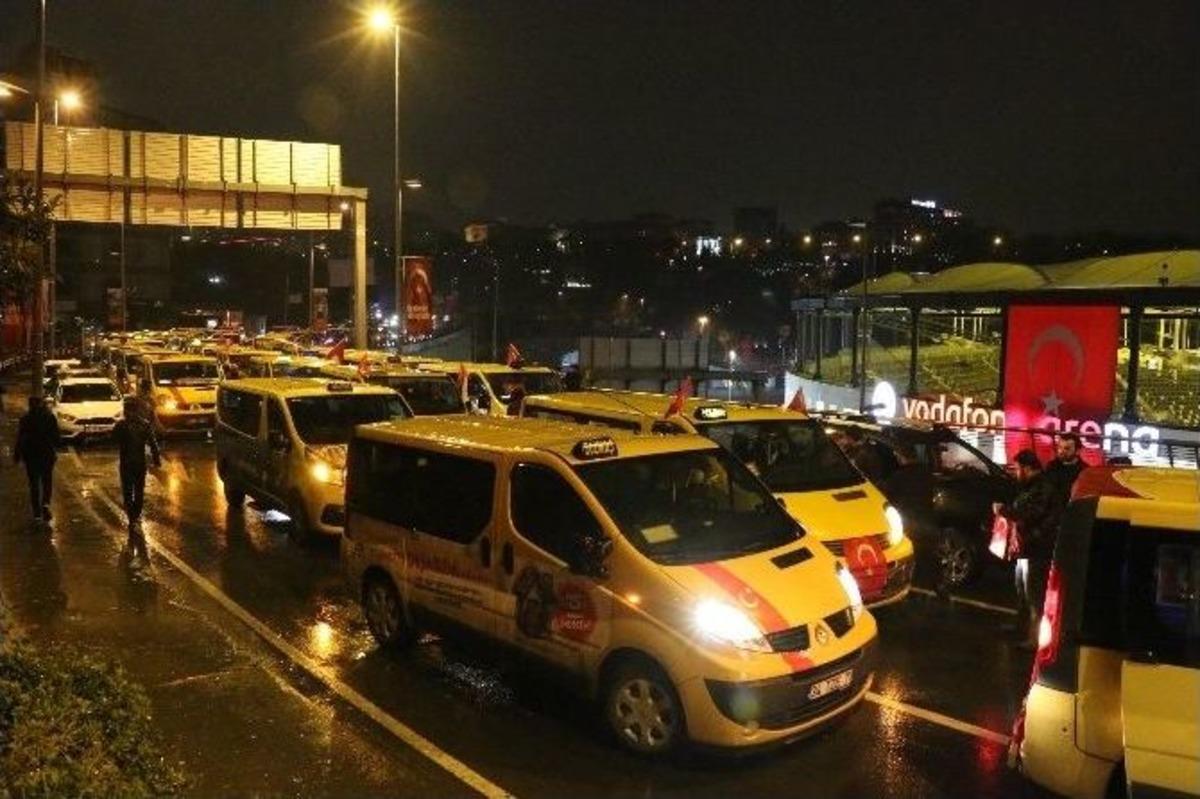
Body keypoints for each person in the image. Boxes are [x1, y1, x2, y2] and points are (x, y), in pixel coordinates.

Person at [997, 450, 1063, 650]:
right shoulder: (1031, 486)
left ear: (1027, 468)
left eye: (1017, 469)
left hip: (1038, 548)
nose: (1015, 473)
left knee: (1034, 594)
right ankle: (1021, 627)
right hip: (1026, 547)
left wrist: (1004, 510)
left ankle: (1034, 638)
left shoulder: (1043, 487)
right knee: (1022, 590)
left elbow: (1031, 513)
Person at [112, 396, 162, 564]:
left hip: (126, 463)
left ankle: (132, 516)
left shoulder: (121, 425)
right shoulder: (144, 424)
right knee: (139, 490)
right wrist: (156, 459)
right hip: (139, 463)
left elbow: (112, 440)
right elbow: (153, 444)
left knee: (128, 490)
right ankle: (135, 515)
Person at [13, 395, 62, 522]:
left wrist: (17, 455)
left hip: (31, 454)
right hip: (46, 453)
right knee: (47, 481)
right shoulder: (49, 417)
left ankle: (36, 512)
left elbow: (21, 437)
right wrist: (56, 447)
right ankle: (45, 504)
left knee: (34, 483)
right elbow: (55, 436)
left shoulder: (26, 419)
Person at [1045, 432, 1086, 503]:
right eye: (1059, 447)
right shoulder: (1051, 466)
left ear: (1078, 451)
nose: (1060, 451)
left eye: (1066, 449)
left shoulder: (1085, 471)